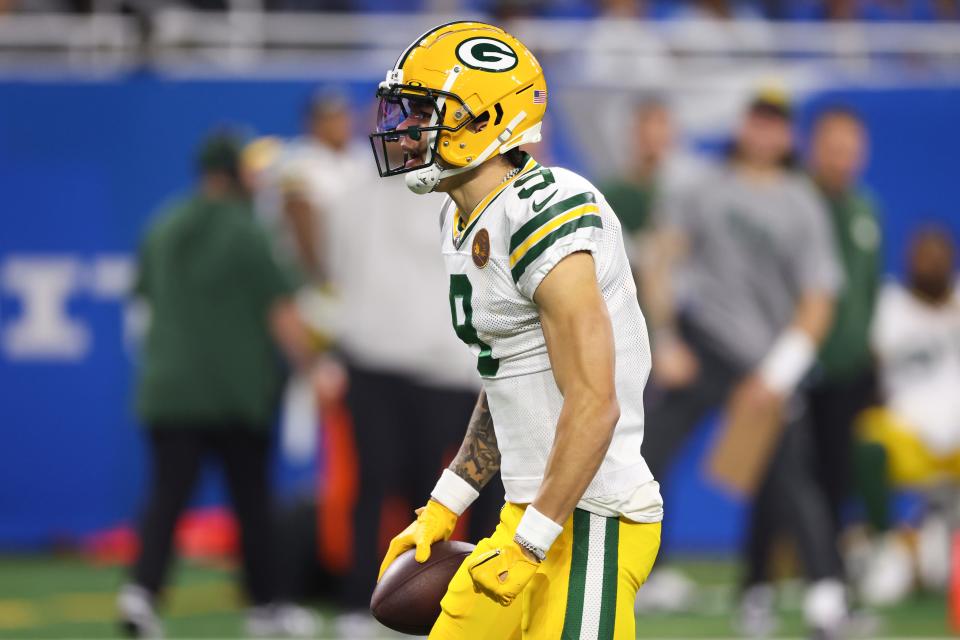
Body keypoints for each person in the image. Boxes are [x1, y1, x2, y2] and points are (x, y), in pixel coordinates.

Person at [369, 22, 663, 639]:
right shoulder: (464, 218)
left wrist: (531, 543)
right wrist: (446, 503)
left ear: (484, 121)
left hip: (592, 519)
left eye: (425, 112)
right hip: (531, 512)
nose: (403, 128)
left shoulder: (546, 209)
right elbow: (508, 376)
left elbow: (594, 401)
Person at [262, 91, 500, 636]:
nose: (407, 132)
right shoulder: (357, 191)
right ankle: (357, 603)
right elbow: (323, 255)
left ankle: (433, 605)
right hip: (381, 360)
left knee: (433, 493)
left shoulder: (458, 192)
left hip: (441, 367)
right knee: (375, 487)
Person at [640, 92, 849, 636]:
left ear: (788, 136)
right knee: (643, 454)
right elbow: (662, 255)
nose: (764, 132)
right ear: (743, 125)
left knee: (791, 480)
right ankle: (631, 576)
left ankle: (825, 603)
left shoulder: (802, 203)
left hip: (765, 364)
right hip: (703, 344)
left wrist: (776, 376)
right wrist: (665, 339)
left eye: (776, 122)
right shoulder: (705, 186)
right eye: (758, 119)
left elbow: (819, 301)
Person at [117, 133, 317, 639]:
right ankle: (266, 607)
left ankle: (140, 595)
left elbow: (139, 307)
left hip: (168, 390)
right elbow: (282, 314)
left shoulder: (162, 225)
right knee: (251, 501)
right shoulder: (247, 231)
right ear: (235, 172)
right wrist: (317, 368)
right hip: (235, 393)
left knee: (166, 498)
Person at [854, 227, 960, 605]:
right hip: (908, 428)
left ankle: (932, 546)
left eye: (937, 255)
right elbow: (869, 365)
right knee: (867, 440)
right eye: (920, 255)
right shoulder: (890, 304)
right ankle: (884, 544)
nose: (929, 263)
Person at [805, 106, 882, 548]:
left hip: (849, 368)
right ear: (815, 148)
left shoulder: (866, 209)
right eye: (833, 148)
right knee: (788, 476)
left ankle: (830, 571)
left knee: (841, 473)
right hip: (802, 365)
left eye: (850, 149)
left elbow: (870, 287)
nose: (841, 158)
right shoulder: (798, 202)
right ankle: (762, 580)